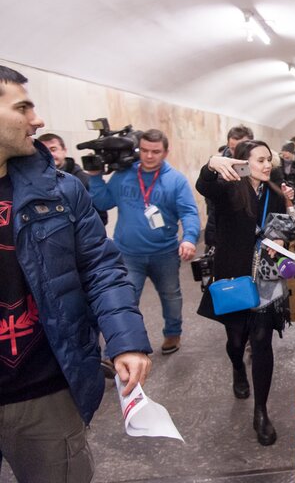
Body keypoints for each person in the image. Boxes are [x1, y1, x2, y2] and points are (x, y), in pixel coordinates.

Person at [0, 65, 151, 481]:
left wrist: (125, 341)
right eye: (23, 108)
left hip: (43, 389)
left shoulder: (62, 191)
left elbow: (100, 268)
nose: (38, 120)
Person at [196, 140, 294, 446]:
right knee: (236, 340)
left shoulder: (274, 192)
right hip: (234, 278)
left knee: (262, 340)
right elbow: (203, 185)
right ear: (242, 163)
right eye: (260, 160)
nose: (267, 165)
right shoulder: (227, 189)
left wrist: (283, 233)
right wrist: (212, 164)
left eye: (269, 160)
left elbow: (286, 226)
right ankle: (238, 367)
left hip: (266, 277)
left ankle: (261, 412)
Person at [88, 129, 200, 355]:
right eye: (145, 150)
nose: (149, 156)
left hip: (165, 252)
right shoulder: (123, 175)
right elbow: (103, 202)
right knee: (125, 301)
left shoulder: (175, 180)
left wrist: (189, 239)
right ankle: (122, 347)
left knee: (171, 296)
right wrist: (95, 177)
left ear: (165, 152)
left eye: (155, 152)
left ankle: (172, 333)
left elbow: (189, 212)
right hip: (128, 253)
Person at [37, 132, 108, 225]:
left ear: (64, 150)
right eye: (44, 151)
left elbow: (100, 218)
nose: (49, 154)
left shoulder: (83, 180)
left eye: (53, 149)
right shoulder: (34, 181)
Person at [206, 125, 254, 248]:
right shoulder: (218, 166)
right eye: (233, 149)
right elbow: (208, 196)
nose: (237, 153)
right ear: (228, 145)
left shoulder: (260, 166)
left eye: (241, 148)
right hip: (222, 229)